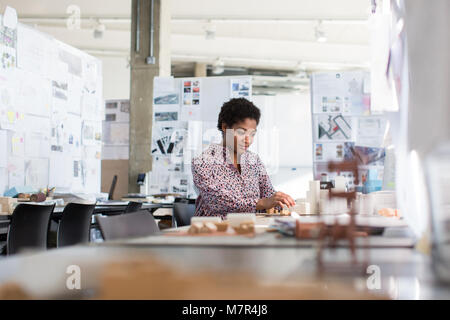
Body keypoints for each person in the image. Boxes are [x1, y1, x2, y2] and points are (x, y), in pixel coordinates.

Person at [191, 98, 295, 217]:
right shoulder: (203, 162)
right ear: (225, 127)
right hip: (217, 231)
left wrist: (282, 201)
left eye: (252, 134)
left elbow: (269, 195)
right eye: (241, 132)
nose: (248, 140)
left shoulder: (253, 161)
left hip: (252, 228)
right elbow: (218, 201)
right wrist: (261, 203)